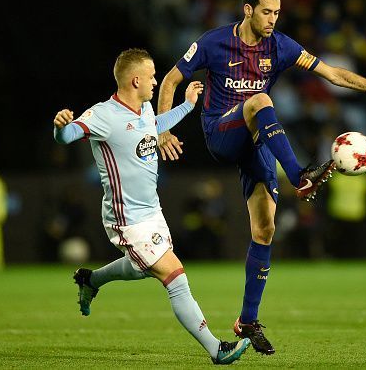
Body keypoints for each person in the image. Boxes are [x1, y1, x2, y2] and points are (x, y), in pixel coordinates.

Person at [156, 0, 366, 354]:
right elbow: (170, 79)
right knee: (260, 99)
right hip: (222, 132)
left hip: (258, 140)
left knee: (265, 228)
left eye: (277, 12)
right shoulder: (214, 41)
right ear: (247, 9)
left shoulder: (280, 46)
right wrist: (164, 127)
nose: (272, 19)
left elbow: (333, 74)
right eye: (266, 12)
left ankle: (248, 321)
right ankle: (299, 174)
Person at [52, 48, 250, 365]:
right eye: (152, 75)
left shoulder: (143, 109)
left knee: (141, 268)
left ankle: (90, 280)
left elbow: (154, 125)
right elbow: (68, 135)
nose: (156, 81)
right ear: (135, 80)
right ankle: (217, 349)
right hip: (126, 219)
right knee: (174, 275)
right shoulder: (104, 114)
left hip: (152, 212)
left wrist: (186, 106)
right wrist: (61, 126)